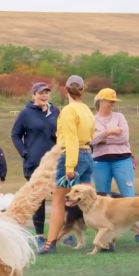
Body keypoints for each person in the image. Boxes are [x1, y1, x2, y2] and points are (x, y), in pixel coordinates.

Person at [42, 75, 95, 254]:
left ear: (65, 89)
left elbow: (71, 140)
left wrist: (70, 167)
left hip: (72, 157)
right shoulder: (87, 110)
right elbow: (91, 133)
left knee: (58, 201)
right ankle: (105, 240)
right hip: (88, 154)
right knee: (89, 201)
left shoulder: (68, 111)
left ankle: (50, 244)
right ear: (83, 90)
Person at [11, 82, 59, 245]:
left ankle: (63, 234)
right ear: (34, 95)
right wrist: (25, 153)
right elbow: (15, 134)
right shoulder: (26, 113)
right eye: (41, 93)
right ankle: (39, 236)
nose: (44, 95)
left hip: (54, 163)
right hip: (35, 163)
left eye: (46, 93)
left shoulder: (55, 111)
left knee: (60, 197)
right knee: (38, 200)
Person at [89, 88, 134, 198]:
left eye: (114, 101)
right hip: (100, 160)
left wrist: (102, 140)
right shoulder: (92, 120)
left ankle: (131, 215)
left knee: (128, 194)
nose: (113, 104)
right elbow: (91, 140)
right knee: (102, 196)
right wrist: (108, 132)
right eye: (110, 101)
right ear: (101, 101)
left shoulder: (119, 117)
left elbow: (124, 137)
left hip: (122, 159)